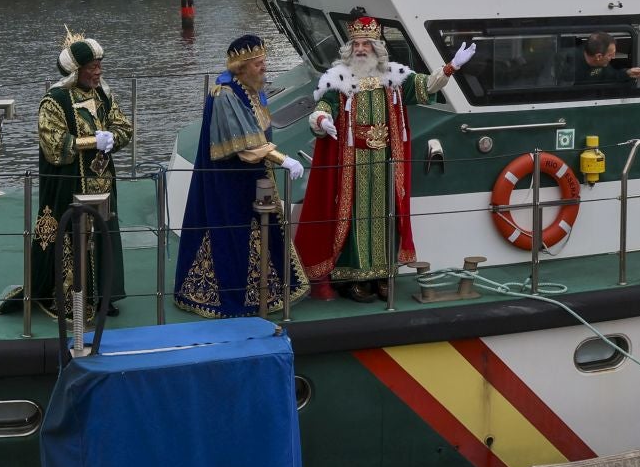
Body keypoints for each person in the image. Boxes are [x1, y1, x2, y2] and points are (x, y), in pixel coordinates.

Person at [293, 18, 475, 301]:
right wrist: (322, 119)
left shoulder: (395, 77)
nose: (362, 49)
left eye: (367, 44)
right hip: (352, 164)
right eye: (357, 44)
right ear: (350, 49)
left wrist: (452, 67)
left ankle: (382, 275)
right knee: (354, 216)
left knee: (387, 214)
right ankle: (355, 277)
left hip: (387, 161)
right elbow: (322, 106)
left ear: (377, 48)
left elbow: (427, 86)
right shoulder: (338, 79)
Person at [0, 30, 134, 318]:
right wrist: (91, 142)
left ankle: (102, 295)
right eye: (92, 68)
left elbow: (124, 127)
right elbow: (54, 147)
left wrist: (113, 137)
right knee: (74, 237)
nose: (98, 73)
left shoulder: (104, 95)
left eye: (100, 66)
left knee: (103, 234)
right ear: (77, 71)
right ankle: (72, 296)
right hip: (69, 187)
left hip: (102, 182)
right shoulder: (54, 101)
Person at [174, 35, 309, 318]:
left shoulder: (251, 89)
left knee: (262, 229)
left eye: (264, 62)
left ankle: (264, 290)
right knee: (233, 233)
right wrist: (284, 160)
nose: (265, 68)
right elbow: (244, 142)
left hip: (254, 176)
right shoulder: (225, 95)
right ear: (242, 66)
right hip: (231, 180)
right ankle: (233, 296)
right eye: (259, 64)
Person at [573, 31, 640, 85]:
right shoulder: (568, 64)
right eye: (611, 55)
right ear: (599, 56)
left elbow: (612, 75)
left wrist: (627, 73)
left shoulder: (601, 64)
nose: (613, 57)